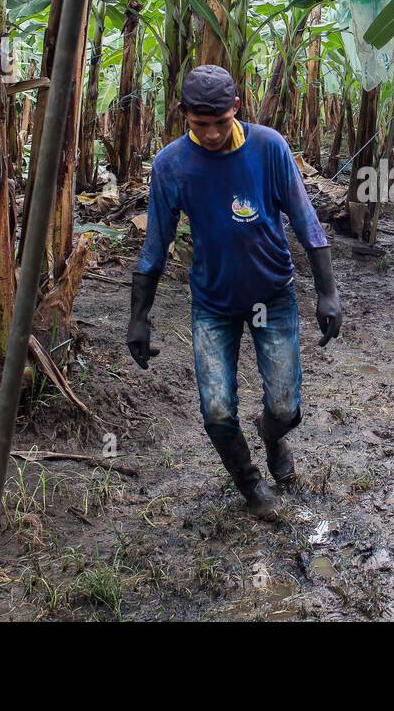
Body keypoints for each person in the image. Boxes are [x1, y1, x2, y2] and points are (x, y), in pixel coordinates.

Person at [127, 65, 341, 520]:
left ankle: (272, 433)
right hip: (213, 303)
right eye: (199, 125)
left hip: (273, 295)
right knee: (217, 411)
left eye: (220, 123)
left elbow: (306, 221)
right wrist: (139, 317)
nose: (210, 134)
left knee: (285, 406)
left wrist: (327, 292)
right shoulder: (172, 164)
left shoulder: (268, 147)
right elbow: (155, 245)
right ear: (183, 114)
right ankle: (251, 486)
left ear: (237, 109)